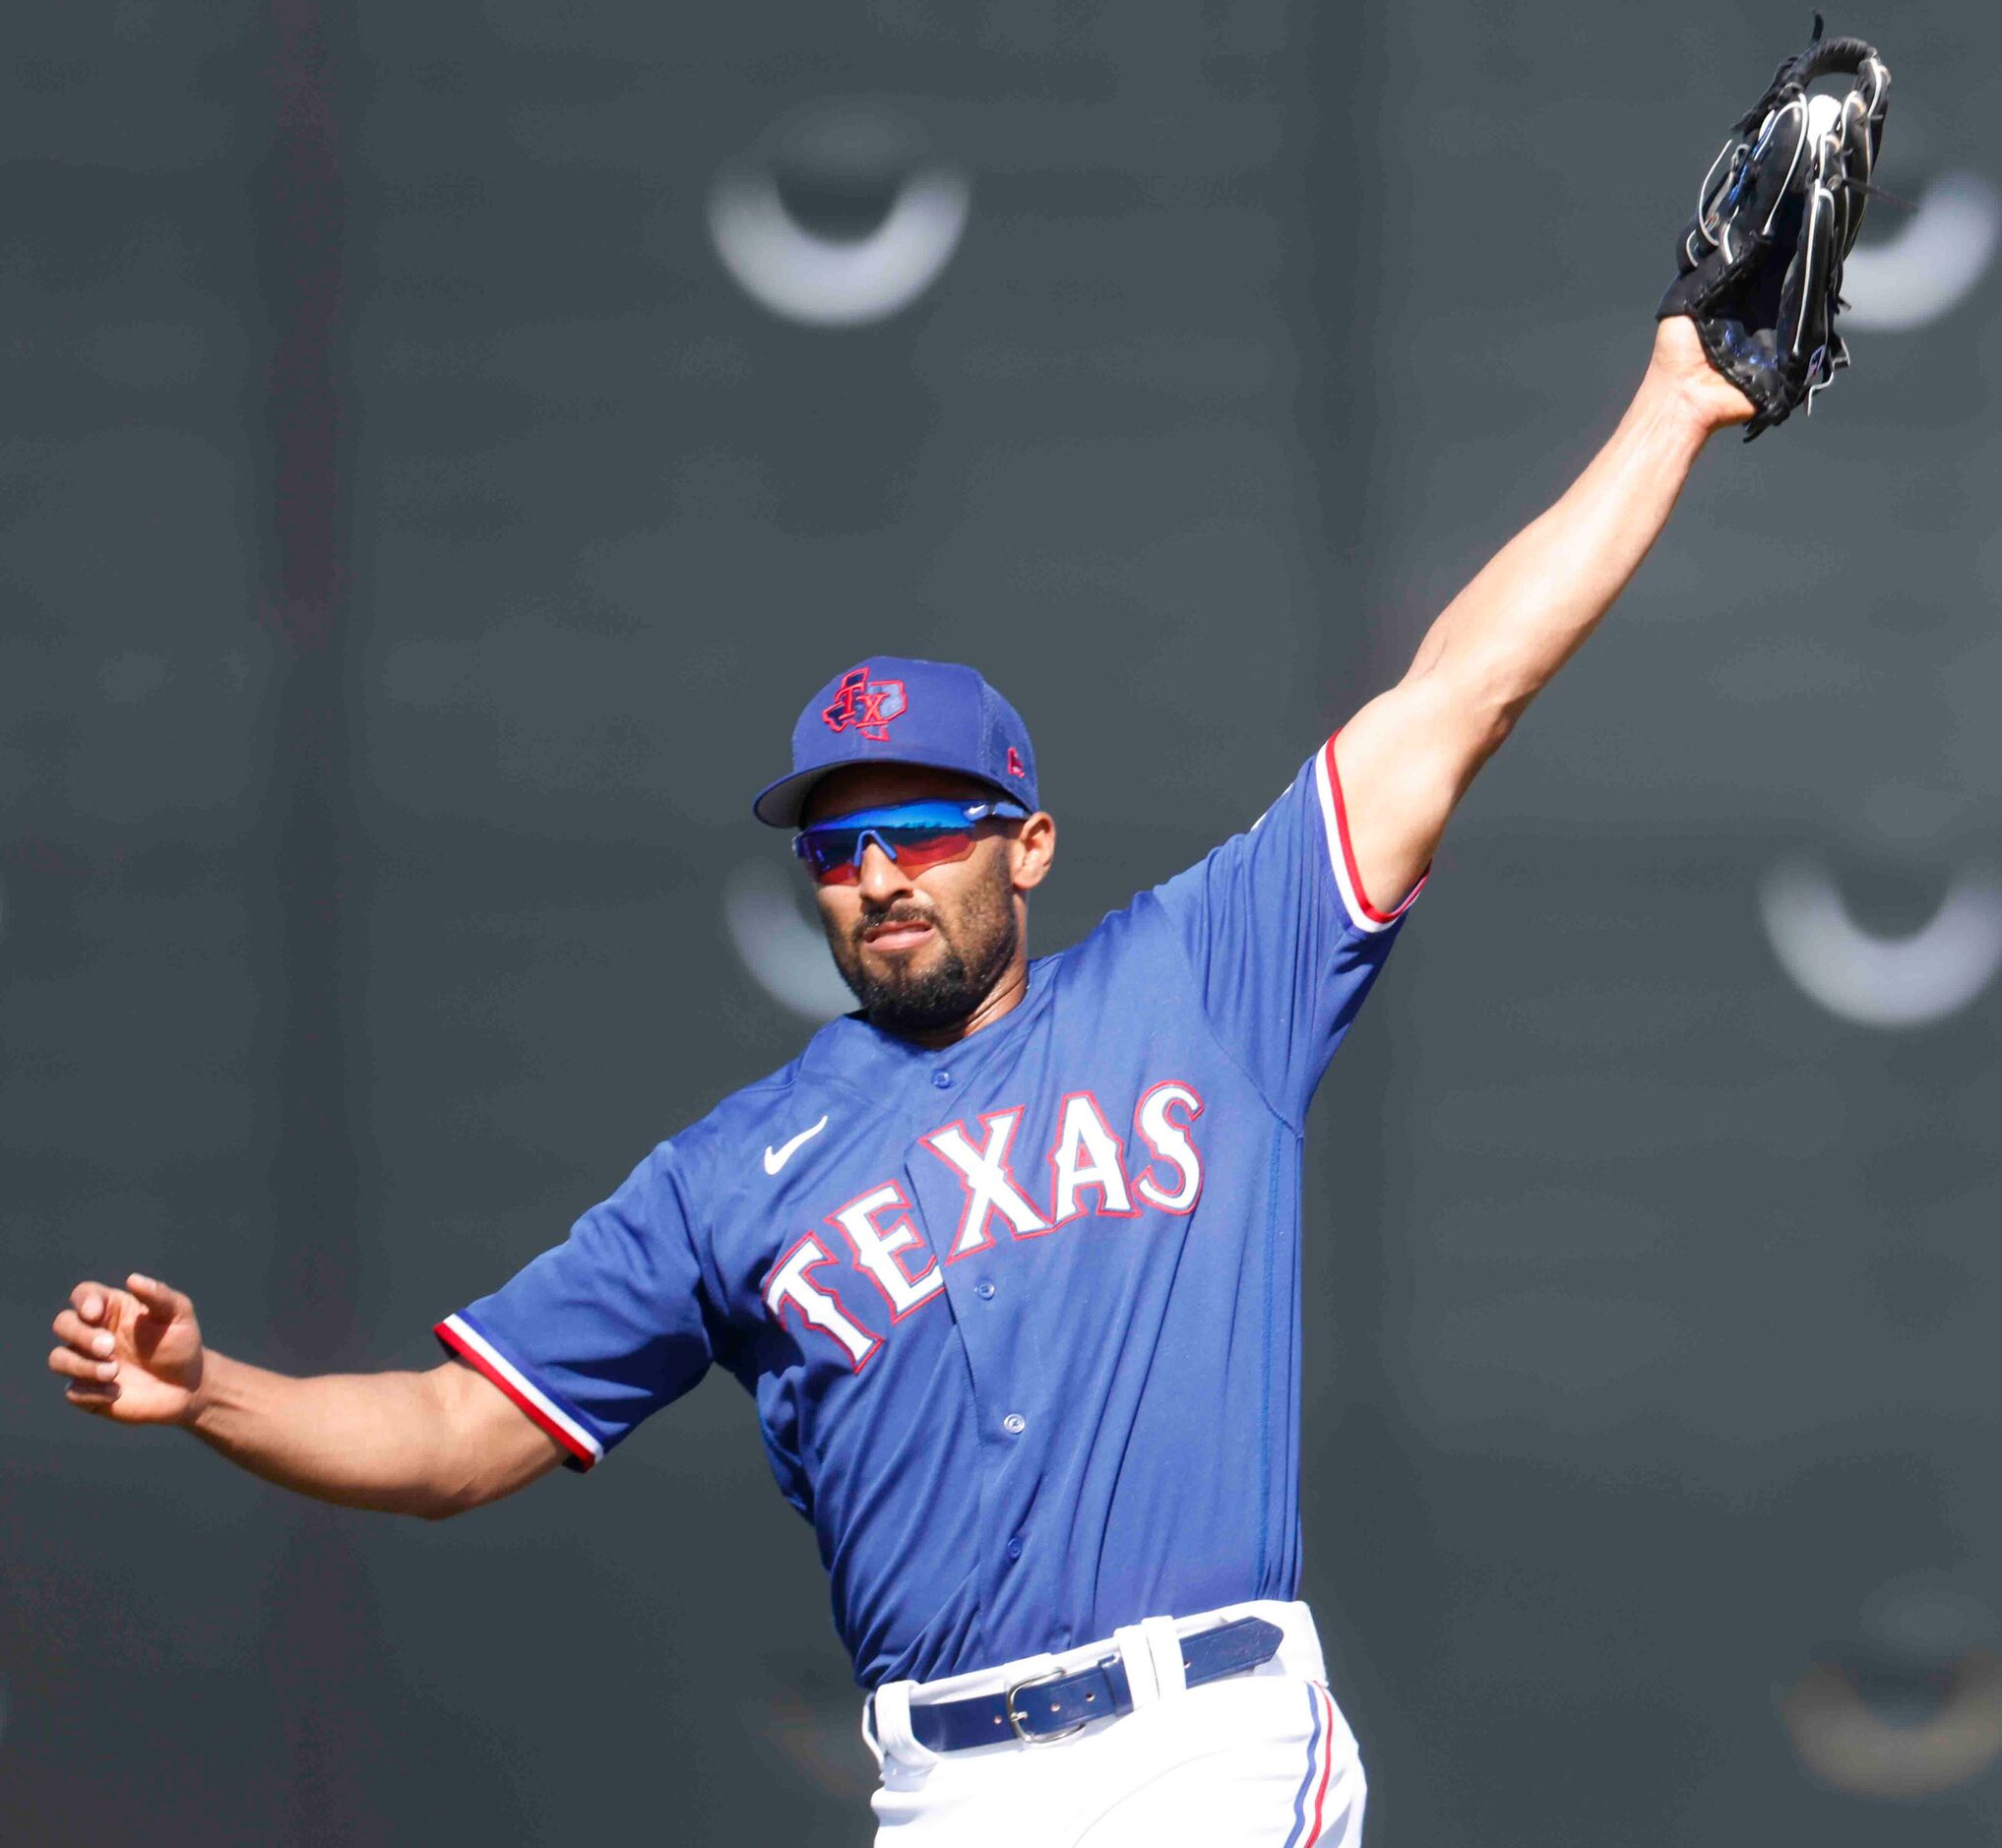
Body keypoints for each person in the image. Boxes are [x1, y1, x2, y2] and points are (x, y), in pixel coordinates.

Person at [48, 318, 1756, 1844]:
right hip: (944, 1790)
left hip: (1210, 1751)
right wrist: (215, 1394)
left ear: (1025, 843)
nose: (876, 871)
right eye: (840, 842)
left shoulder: (1202, 979)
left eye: (922, 825)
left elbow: (1461, 688)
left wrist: (1672, 403)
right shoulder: (733, 1178)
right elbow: (451, 1432)